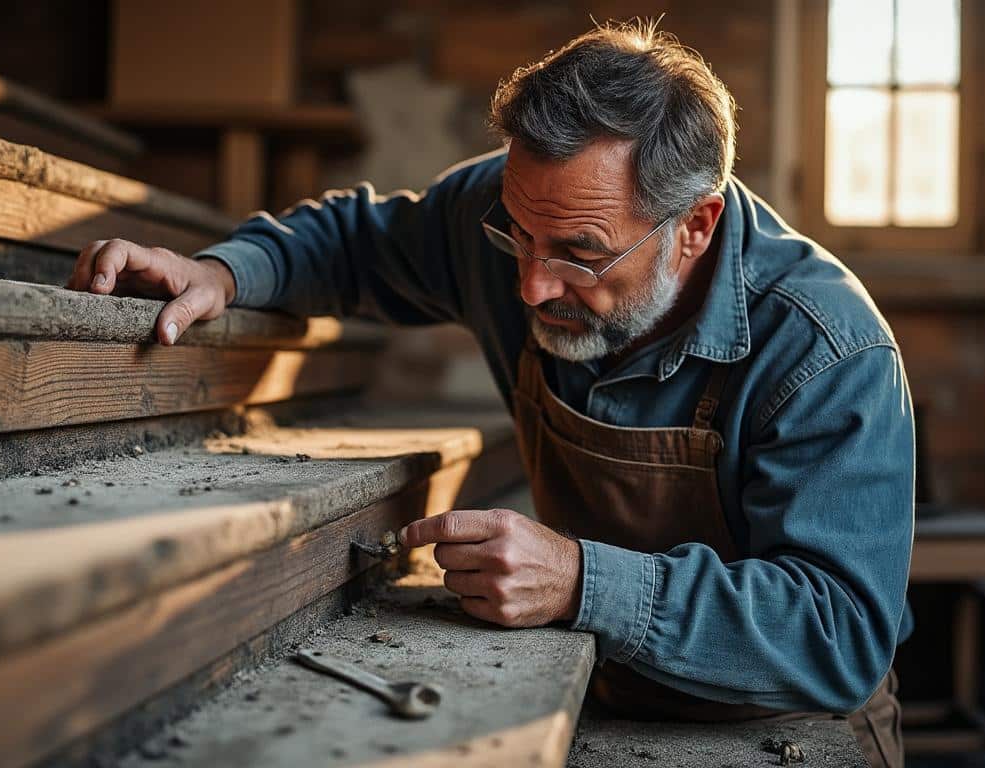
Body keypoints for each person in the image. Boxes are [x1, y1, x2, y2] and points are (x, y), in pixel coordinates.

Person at [65, 21, 912, 767]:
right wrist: (223, 273)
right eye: (518, 237)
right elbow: (354, 242)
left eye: (580, 254)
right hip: (607, 689)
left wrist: (582, 581)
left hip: (783, 721)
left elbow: (838, 633)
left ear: (695, 226)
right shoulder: (525, 211)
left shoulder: (827, 351)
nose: (533, 285)